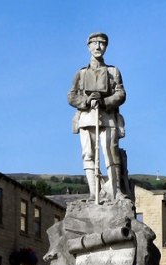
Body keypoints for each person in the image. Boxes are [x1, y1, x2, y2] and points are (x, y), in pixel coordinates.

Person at [68, 32, 126, 201]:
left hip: (107, 117)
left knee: (111, 152)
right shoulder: (81, 73)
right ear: (89, 46)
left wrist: (105, 101)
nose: (99, 46)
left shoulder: (113, 71)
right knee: (88, 155)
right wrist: (87, 101)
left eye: (102, 43)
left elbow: (121, 94)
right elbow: (71, 96)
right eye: (95, 43)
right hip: (86, 118)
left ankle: (115, 192)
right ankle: (94, 192)